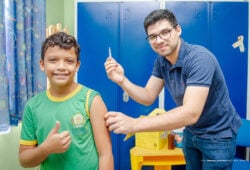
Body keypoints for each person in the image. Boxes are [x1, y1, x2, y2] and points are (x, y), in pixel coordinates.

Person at [104, 9, 241, 170]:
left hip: (217, 136)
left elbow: (191, 112)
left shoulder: (200, 59)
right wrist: (122, 81)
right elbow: (148, 96)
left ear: (178, 30)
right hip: (192, 132)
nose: (159, 40)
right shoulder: (162, 61)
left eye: (165, 32)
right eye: (153, 36)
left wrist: (135, 124)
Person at [19, 32, 114, 170]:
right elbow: (24, 160)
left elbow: (105, 154)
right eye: (53, 60)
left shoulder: (92, 100)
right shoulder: (32, 106)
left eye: (69, 61)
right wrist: (45, 148)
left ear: (77, 66)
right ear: (42, 64)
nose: (61, 67)